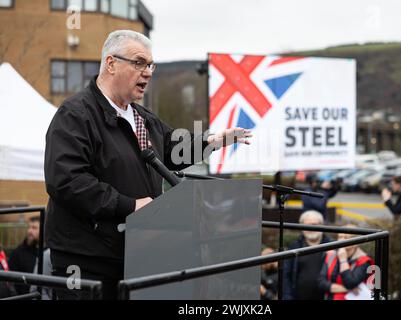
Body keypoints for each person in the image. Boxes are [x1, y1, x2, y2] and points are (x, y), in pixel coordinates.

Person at [44, 30, 252, 300]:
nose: (148, 72)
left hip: (137, 253)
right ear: (111, 64)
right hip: (87, 260)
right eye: (139, 62)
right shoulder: (75, 115)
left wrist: (212, 141)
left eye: (150, 65)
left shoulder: (141, 117)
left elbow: (172, 150)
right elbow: (67, 181)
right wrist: (130, 205)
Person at [283, 210, 331, 300]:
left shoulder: (332, 246)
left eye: (314, 224)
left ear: (322, 225)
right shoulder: (295, 247)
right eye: (307, 225)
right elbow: (286, 275)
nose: (311, 229)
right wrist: (287, 297)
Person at [317, 224, 373, 300]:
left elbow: (350, 283)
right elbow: (321, 283)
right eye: (340, 237)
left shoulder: (364, 260)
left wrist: (343, 260)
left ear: (356, 242)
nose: (341, 240)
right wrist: (347, 289)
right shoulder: (330, 255)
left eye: (346, 237)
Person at [8, 216, 40, 295]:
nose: (30, 231)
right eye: (29, 227)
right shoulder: (17, 253)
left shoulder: (49, 253)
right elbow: (11, 284)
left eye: (34, 228)